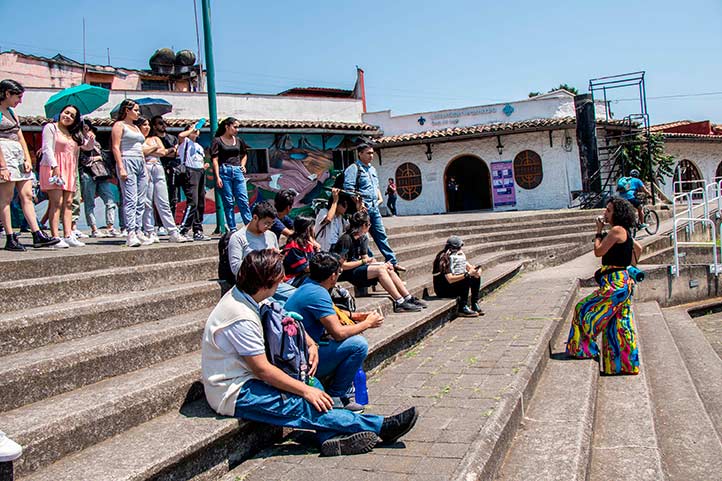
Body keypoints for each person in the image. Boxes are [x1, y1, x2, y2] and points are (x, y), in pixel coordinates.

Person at [201, 248, 418, 455]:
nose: (282, 282)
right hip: (234, 390)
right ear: (266, 283)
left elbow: (283, 317)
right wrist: (305, 391)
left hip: (249, 377)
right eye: (279, 279)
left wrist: (311, 343)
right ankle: (381, 426)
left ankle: (330, 438)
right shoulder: (240, 316)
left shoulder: (251, 294)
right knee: (304, 403)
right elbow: (263, 370)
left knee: (313, 386)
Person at [285, 252, 384, 413]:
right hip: (303, 359)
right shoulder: (318, 293)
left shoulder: (309, 285)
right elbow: (338, 332)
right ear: (332, 276)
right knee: (358, 345)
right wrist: (367, 323)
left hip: (303, 350)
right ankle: (337, 395)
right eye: (339, 273)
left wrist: (358, 317)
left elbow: (330, 316)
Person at [566, 197, 642, 375]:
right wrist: (630, 267)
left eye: (608, 210)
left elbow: (598, 251)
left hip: (614, 283)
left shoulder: (616, 231)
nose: (605, 213)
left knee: (583, 309)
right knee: (618, 324)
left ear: (617, 213)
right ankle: (623, 365)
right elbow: (638, 248)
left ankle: (583, 349)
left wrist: (598, 232)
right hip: (623, 281)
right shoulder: (626, 232)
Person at [0, 79, 57, 251]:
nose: (20, 101)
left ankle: (37, 233)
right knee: (6, 197)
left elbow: (20, 136)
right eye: (18, 96)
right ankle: (10, 236)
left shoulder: (11, 112)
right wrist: (2, 166)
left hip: (17, 154)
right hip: (4, 152)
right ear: (7, 93)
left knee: (27, 195)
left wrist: (26, 158)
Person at [333, 211, 425, 313]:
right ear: (364, 225)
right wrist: (364, 261)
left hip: (357, 269)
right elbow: (342, 265)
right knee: (381, 270)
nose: (369, 227)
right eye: (369, 224)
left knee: (387, 268)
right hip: (346, 273)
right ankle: (399, 302)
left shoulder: (363, 238)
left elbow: (365, 257)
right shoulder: (346, 239)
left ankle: (408, 297)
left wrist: (382, 264)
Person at [344, 144, 405, 271]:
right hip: (361, 209)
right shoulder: (354, 168)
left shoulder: (372, 169)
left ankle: (392, 261)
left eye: (372, 153)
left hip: (374, 207)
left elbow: (375, 187)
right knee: (362, 236)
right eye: (368, 153)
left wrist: (379, 198)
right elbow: (348, 189)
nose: (371, 156)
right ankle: (370, 261)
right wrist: (358, 203)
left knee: (381, 235)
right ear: (360, 153)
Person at [40, 104, 90, 248]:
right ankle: (55, 236)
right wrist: (54, 166)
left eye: (72, 116)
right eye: (66, 113)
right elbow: (47, 149)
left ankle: (68, 234)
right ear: (61, 112)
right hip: (54, 166)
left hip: (70, 169)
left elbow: (87, 147)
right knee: (56, 203)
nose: (68, 117)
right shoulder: (51, 127)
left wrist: (87, 135)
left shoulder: (73, 133)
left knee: (69, 203)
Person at [136, 116, 188, 244]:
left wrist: (150, 150)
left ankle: (173, 231)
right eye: (144, 125)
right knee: (147, 202)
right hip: (145, 168)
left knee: (163, 201)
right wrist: (154, 150)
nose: (147, 127)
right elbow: (141, 151)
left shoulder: (155, 138)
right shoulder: (137, 139)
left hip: (158, 167)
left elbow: (163, 152)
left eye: (148, 124)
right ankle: (150, 231)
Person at [111, 99, 148, 248]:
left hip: (140, 161)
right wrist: (121, 167)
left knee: (141, 199)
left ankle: (139, 230)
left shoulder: (136, 127)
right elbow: (115, 147)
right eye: (136, 110)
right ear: (127, 110)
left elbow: (140, 147)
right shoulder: (119, 125)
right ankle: (130, 231)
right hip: (127, 160)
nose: (138, 113)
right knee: (130, 199)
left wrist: (144, 165)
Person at [78, 119, 119, 238]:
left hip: (101, 173)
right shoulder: (78, 141)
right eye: (84, 128)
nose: (86, 130)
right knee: (89, 202)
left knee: (110, 200)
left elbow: (102, 155)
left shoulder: (96, 142)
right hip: (87, 174)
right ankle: (94, 228)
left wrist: (93, 144)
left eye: (88, 128)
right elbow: (82, 160)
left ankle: (110, 227)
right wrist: (95, 158)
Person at [211, 117, 252, 232]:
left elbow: (244, 154)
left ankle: (249, 226)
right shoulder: (217, 141)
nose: (236, 129)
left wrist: (243, 165)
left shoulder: (239, 141)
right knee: (228, 201)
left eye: (237, 127)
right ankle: (232, 228)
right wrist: (217, 176)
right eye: (235, 127)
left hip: (237, 171)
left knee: (243, 199)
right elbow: (215, 160)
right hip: (224, 171)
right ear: (227, 126)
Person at [432, 236, 484, 317]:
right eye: (459, 248)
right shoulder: (444, 258)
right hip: (443, 290)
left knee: (473, 277)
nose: (460, 250)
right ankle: (462, 307)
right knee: (466, 278)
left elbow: (470, 267)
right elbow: (450, 279)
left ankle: (474, 303)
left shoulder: (457, 256)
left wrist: (477, 271)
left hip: (453, 286)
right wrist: (468, 274)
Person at [177, 124, 210, 241]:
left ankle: (198, 230)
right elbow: (180, 135)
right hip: (189, 172)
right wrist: (191, 129)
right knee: (193, 202)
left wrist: (203, 167)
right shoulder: (184, 142)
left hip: (199, 171)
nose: (196, 131)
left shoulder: (199, 146)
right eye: (192, 129)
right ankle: (184, 229)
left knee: (201, 202)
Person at [149, 116, 180, 219]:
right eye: (160, 123)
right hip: (157, 167)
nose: (164, 125)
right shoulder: (152, 139)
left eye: (164, 123)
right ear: (154, 126)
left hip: (172, 169)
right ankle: (159, 223)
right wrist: (168, 151)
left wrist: (164, 152)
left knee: (173, 197)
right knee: (157, 197)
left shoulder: (172, 138)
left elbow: (176, 153)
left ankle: (172, 221)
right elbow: (155, 153)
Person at [282, 215, 320, 286]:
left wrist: (317, 249)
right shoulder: (293, 246)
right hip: (292, 279)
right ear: (307, 229)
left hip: (304, 276)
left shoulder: (308, 243)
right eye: (313, 227)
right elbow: (306, 268)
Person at [314, 187, 349, 252]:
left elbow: (352, 229)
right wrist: (335, 201)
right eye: (344, 205)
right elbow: (328, 219)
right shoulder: (323, 212)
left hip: (334, 250)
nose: (346, 207)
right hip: (323, 250)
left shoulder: (341, 219)